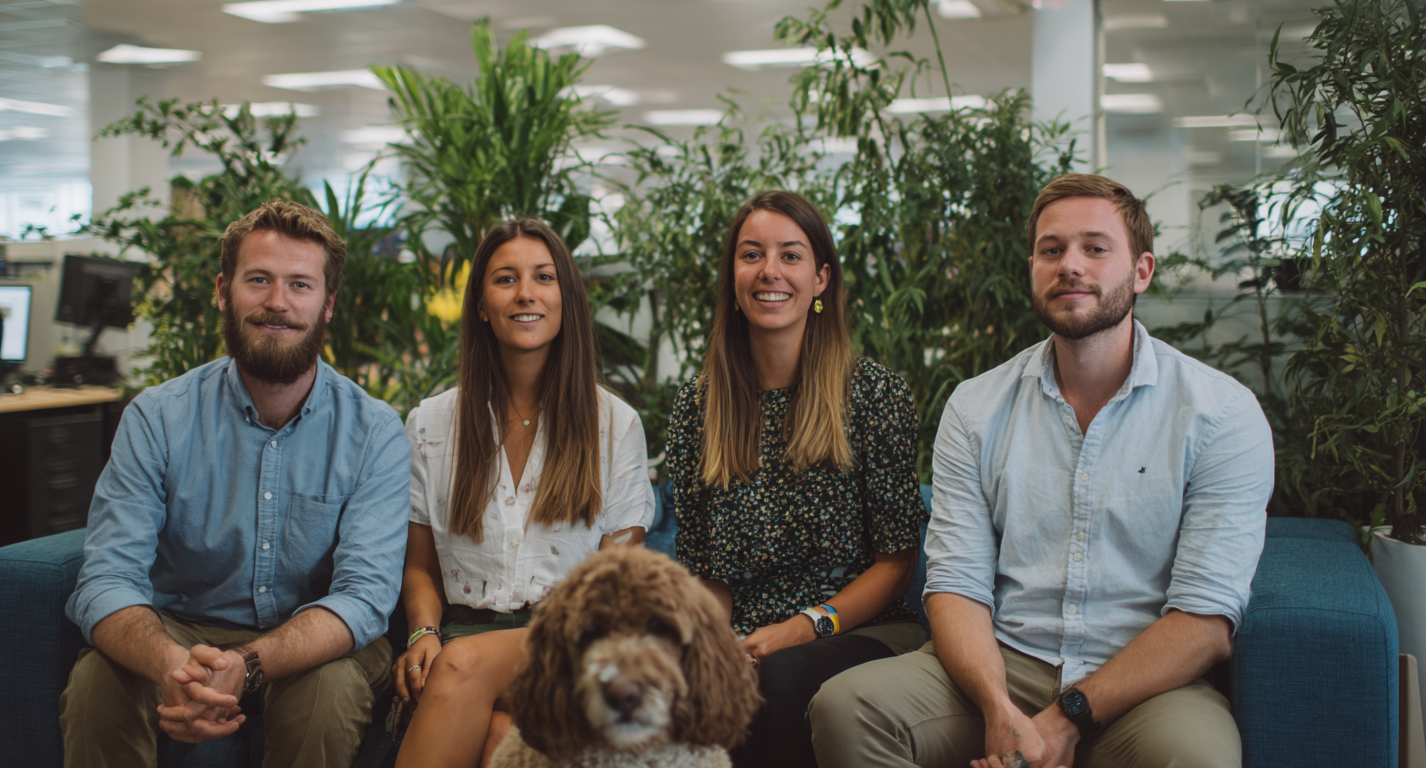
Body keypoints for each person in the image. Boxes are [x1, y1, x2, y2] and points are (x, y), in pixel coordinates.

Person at [809, 173, 1275, 768]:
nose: (1069, 265)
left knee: (1199, 759)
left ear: (1142, 271)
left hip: (1147, 682)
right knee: (846, 706)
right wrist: (999, 709)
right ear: (1032, 267)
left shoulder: (1220, 413)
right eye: (1051, 250)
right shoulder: (976, 406)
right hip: (1003, 663)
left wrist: (1066, 718)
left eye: (1095, 248)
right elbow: (956, 587)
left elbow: (1206, 621)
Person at [60, 199, 410, 768]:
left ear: (328, 305)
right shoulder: (157, 417)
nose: (278, 302)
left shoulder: (374, 431)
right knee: (99, 680)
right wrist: (173, 665)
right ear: (224, 291)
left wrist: (246, 663)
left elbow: (364, 596)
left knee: (326, 693)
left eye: (300, 284)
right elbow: (107, 578)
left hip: (314, 638)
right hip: (181, 623)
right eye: (259, 281)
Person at [670, 189, 928, 768]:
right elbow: (702, 573)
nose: (769, 272)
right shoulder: (697, 406)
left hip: (864, 629)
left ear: (821, 280)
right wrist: (712, 648)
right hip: (747, 641)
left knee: (780, 679)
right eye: (751, 254)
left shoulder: (873, 395)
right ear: (732, 278)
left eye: (790, 255)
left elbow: (896, 565)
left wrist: (802, 627)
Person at [393, 218, 654, 768]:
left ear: (566, 300)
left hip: (575, 642)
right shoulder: (430, 423)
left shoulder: (616, 424)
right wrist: (421, 630)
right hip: (460, 632)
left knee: (463, 668)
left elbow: (615, 583)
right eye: (506, 279)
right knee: (497, 736)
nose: (526, 293)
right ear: (482, 305)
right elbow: (419, 567)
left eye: (543, 277)